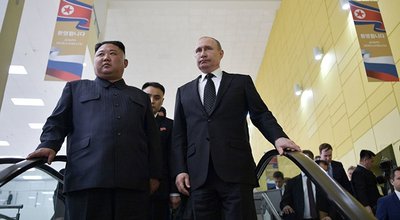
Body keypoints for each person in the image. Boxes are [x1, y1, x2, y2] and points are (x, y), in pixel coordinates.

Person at [26, 41, 162, 220]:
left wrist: (155, 175)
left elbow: (152, 138)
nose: (106, 57)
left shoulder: (140, 97)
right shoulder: (75, 89)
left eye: (112, 53)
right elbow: (57, 122)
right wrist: (49, 144)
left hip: (132, 182)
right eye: (100, 54)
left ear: (125, 63)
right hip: (86, 179)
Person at [172, 36, 301, 220]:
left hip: (236, 171)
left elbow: (261, 114)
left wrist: (278, 137)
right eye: (198, 51)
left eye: (207, 49)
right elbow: (179, 136)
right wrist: (180, 169)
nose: (202, 54)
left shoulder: (241, 83)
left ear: (221, 53)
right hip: (199, 175)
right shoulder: (183, 91)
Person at [142, 82, 181, 220]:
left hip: (161, 189)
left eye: (157, 97)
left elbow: (174, 158)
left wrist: (174, 191)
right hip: (131, 189)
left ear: (162, 101)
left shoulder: (171, 125)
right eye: (147, 96)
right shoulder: (129, 122)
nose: (152, 101)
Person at [280, 150, 329, 220]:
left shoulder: (321, 180)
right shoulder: (292, 183)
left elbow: (330, 201)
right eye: (302, 161)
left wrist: (330, 215)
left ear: (312, 162)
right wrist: (285, 206)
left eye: (307, 160)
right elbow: (284, 202)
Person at [352, 149, 381, 214]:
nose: (372, 164)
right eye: (371, 161)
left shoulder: (366, 171)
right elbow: (360, 191)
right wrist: (366, 206)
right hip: (371, 206)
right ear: (365, 160)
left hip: (376, 203)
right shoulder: (358, 173)